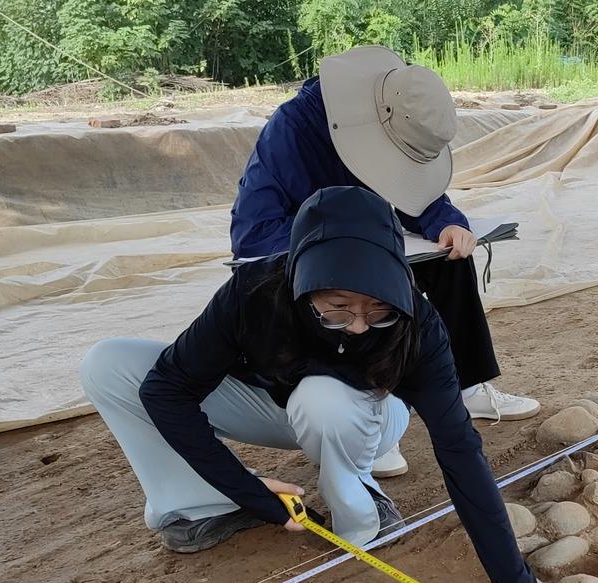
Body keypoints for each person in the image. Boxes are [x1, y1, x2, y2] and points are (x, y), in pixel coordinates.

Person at [80, 186, 550, 583]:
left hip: (367, 416)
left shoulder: (417, 323)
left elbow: (459, 450)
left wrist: (511, 579)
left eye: (377, 307)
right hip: (270, 403)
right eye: (338, 307)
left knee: (323, 397)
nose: (360, 325)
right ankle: (205, 503)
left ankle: (361, 505)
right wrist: (243, 486)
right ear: (302, 282)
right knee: (109, 364)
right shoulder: (253, 292)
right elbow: (166, 389)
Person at [230, 45, 540, 479]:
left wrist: (447, 221)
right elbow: (251, 237)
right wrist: (342, 243)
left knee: (449, 257)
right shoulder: (293, 130)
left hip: (367, 245)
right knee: (362, 291)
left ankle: (466, 385)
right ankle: (373, 419)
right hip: (301, 261)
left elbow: (418, 200)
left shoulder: (395, 124)